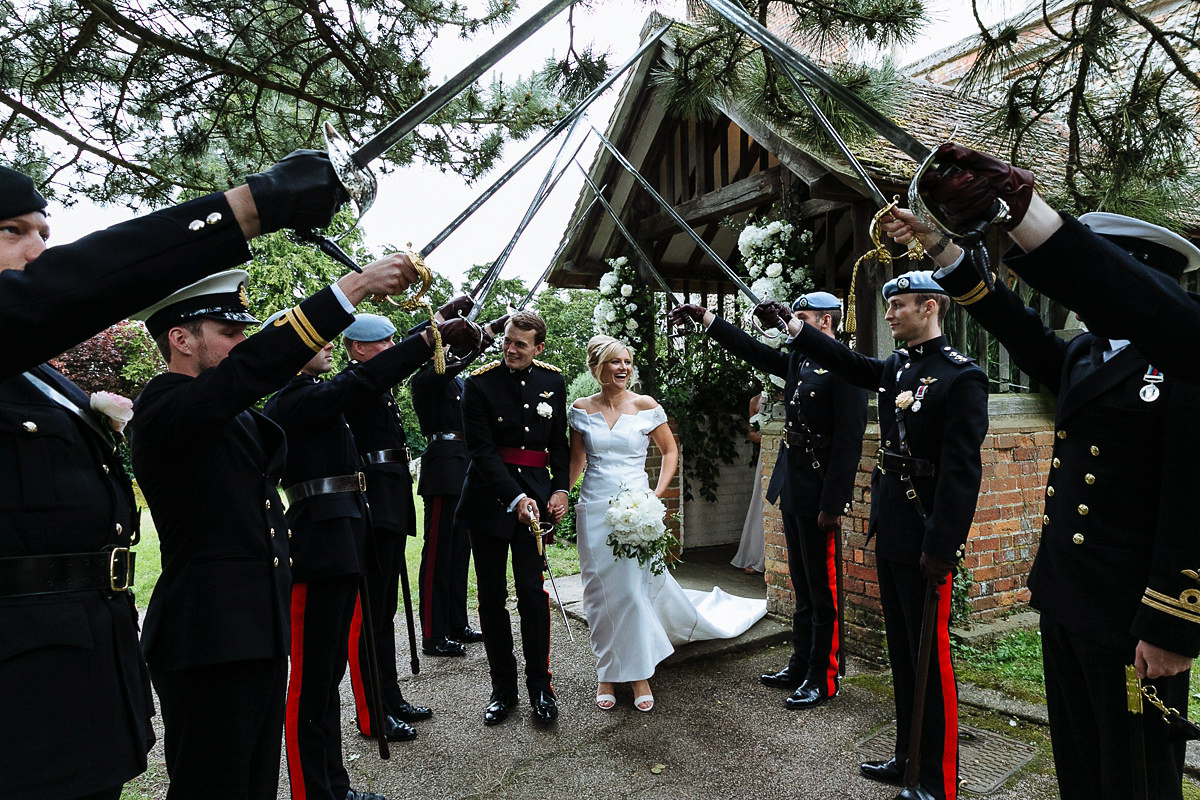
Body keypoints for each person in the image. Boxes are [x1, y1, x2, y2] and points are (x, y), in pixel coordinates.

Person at [0, 153, 345, 799]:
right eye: (13, 231)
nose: (40, 251)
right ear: (181, 339)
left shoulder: (40, 379)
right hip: (34, 686)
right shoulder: (169, 401)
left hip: (78, 675)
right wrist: (251, 206)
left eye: (46, 233)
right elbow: (69, 290)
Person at [882, 200, 1200, 800]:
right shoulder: (1086, 353)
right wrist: (941, 248)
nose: (1074, 291)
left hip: (1131, 616)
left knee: (1136, 773)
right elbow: (1013, 323)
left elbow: (1191, 502)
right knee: (1078, 761)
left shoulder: (1183, 366)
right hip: (1065, 596)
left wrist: (1172, 627)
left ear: (1129, 279)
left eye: (1085, 273)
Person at [130, 256, 417, 800]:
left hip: (253, 627)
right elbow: (254, 371)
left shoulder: (227, 412)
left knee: (254, 781)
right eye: (230, 331)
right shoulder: (166, 407)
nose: (243, 342)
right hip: (208, 634)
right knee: (214, 784)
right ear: (181, 339)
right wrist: (351, 289)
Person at [756, 273, 988, 800]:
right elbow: (850, 364)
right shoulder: (898, 366)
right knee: (904, 652)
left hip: (927, 532)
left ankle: (938, 779)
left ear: (930, 308)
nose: (888, 315)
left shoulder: (960, 377)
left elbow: (960, 473)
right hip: (894, 523)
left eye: (899, 306)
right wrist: (794, 328)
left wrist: (941, 545)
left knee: (932, 657)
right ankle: (908, 758)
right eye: (888, 306)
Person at [264, 310, 476, 800]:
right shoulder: (295, 400)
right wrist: (429, 338)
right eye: (314, 337)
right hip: (318, 544)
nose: (327, 344)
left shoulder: (311, 396)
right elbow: (364, 380)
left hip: (343, 537)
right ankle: (313, 791)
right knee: (310, 685)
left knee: (328, 673)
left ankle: (333, 786)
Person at [671, 292, 868, 710]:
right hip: (795, 483)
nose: (790, 323)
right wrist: (708, 319)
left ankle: (824, 674)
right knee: (802, 582)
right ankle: (800, 663)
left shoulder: (846, 368)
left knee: (823, 587)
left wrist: (834, 503)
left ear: (826, 323)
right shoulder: (800, 359)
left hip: (820, 492)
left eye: (800, 317)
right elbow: (756, 353)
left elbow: (849, 443)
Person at [568, 335, 767, 712]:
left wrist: (655, 495)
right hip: (593, 507)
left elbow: (670, 450)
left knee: (629, 591)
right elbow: (577, 460)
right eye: (615, 362)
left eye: (627, 361)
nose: (624, 368)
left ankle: (639, 672)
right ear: (598, 367)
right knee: (597, 593)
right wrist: (561, 493)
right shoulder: (581, 409)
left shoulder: (646, 406)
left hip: (634, 507)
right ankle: (607, 671)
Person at [908, 143, 1200, 384]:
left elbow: (1167, 318)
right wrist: (935, 242)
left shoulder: (1185, 353)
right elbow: (1006, 319)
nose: (1074, 293)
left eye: (1088, 279)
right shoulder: (1082, 356)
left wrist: (1022, 209)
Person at [457, 310, 569, 726]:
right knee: (491, 597)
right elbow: (481, 453)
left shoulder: (551, 381)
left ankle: (541, 686)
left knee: (532, 595)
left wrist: (560, 488)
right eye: (508, 341)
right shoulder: (479, 383)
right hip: (489, 501)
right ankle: (502, 688)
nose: (511, 349)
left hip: (537, 502)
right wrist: (514, 496)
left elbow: (558, 442)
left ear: (538, 347)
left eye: (521, 344)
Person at [335, 312, 439, 745]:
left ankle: (390, 696)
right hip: (373, 506)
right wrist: (421, 341)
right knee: (370, 615)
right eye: (385, 344)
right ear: (360, 348)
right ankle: (372, 710)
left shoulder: (377, 385)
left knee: (385, 613)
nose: (392, 351)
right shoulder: (359, 384)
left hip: (390, 504)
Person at [410, 314, 510, 657]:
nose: (452, 349)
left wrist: (494, 332)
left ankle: (455, 622)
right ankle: (432, 632)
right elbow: (447, 367)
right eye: (446, 342)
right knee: (438, 555)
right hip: (443, 470)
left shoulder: (458, 382)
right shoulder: (425, 377)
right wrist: (481, 339)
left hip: (465, 467)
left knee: (458, 553)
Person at [730, 391, 766, 575]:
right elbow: (753, 435)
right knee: (762, 500)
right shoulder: (755, 400)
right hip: (767, 454)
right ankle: (757, 555)